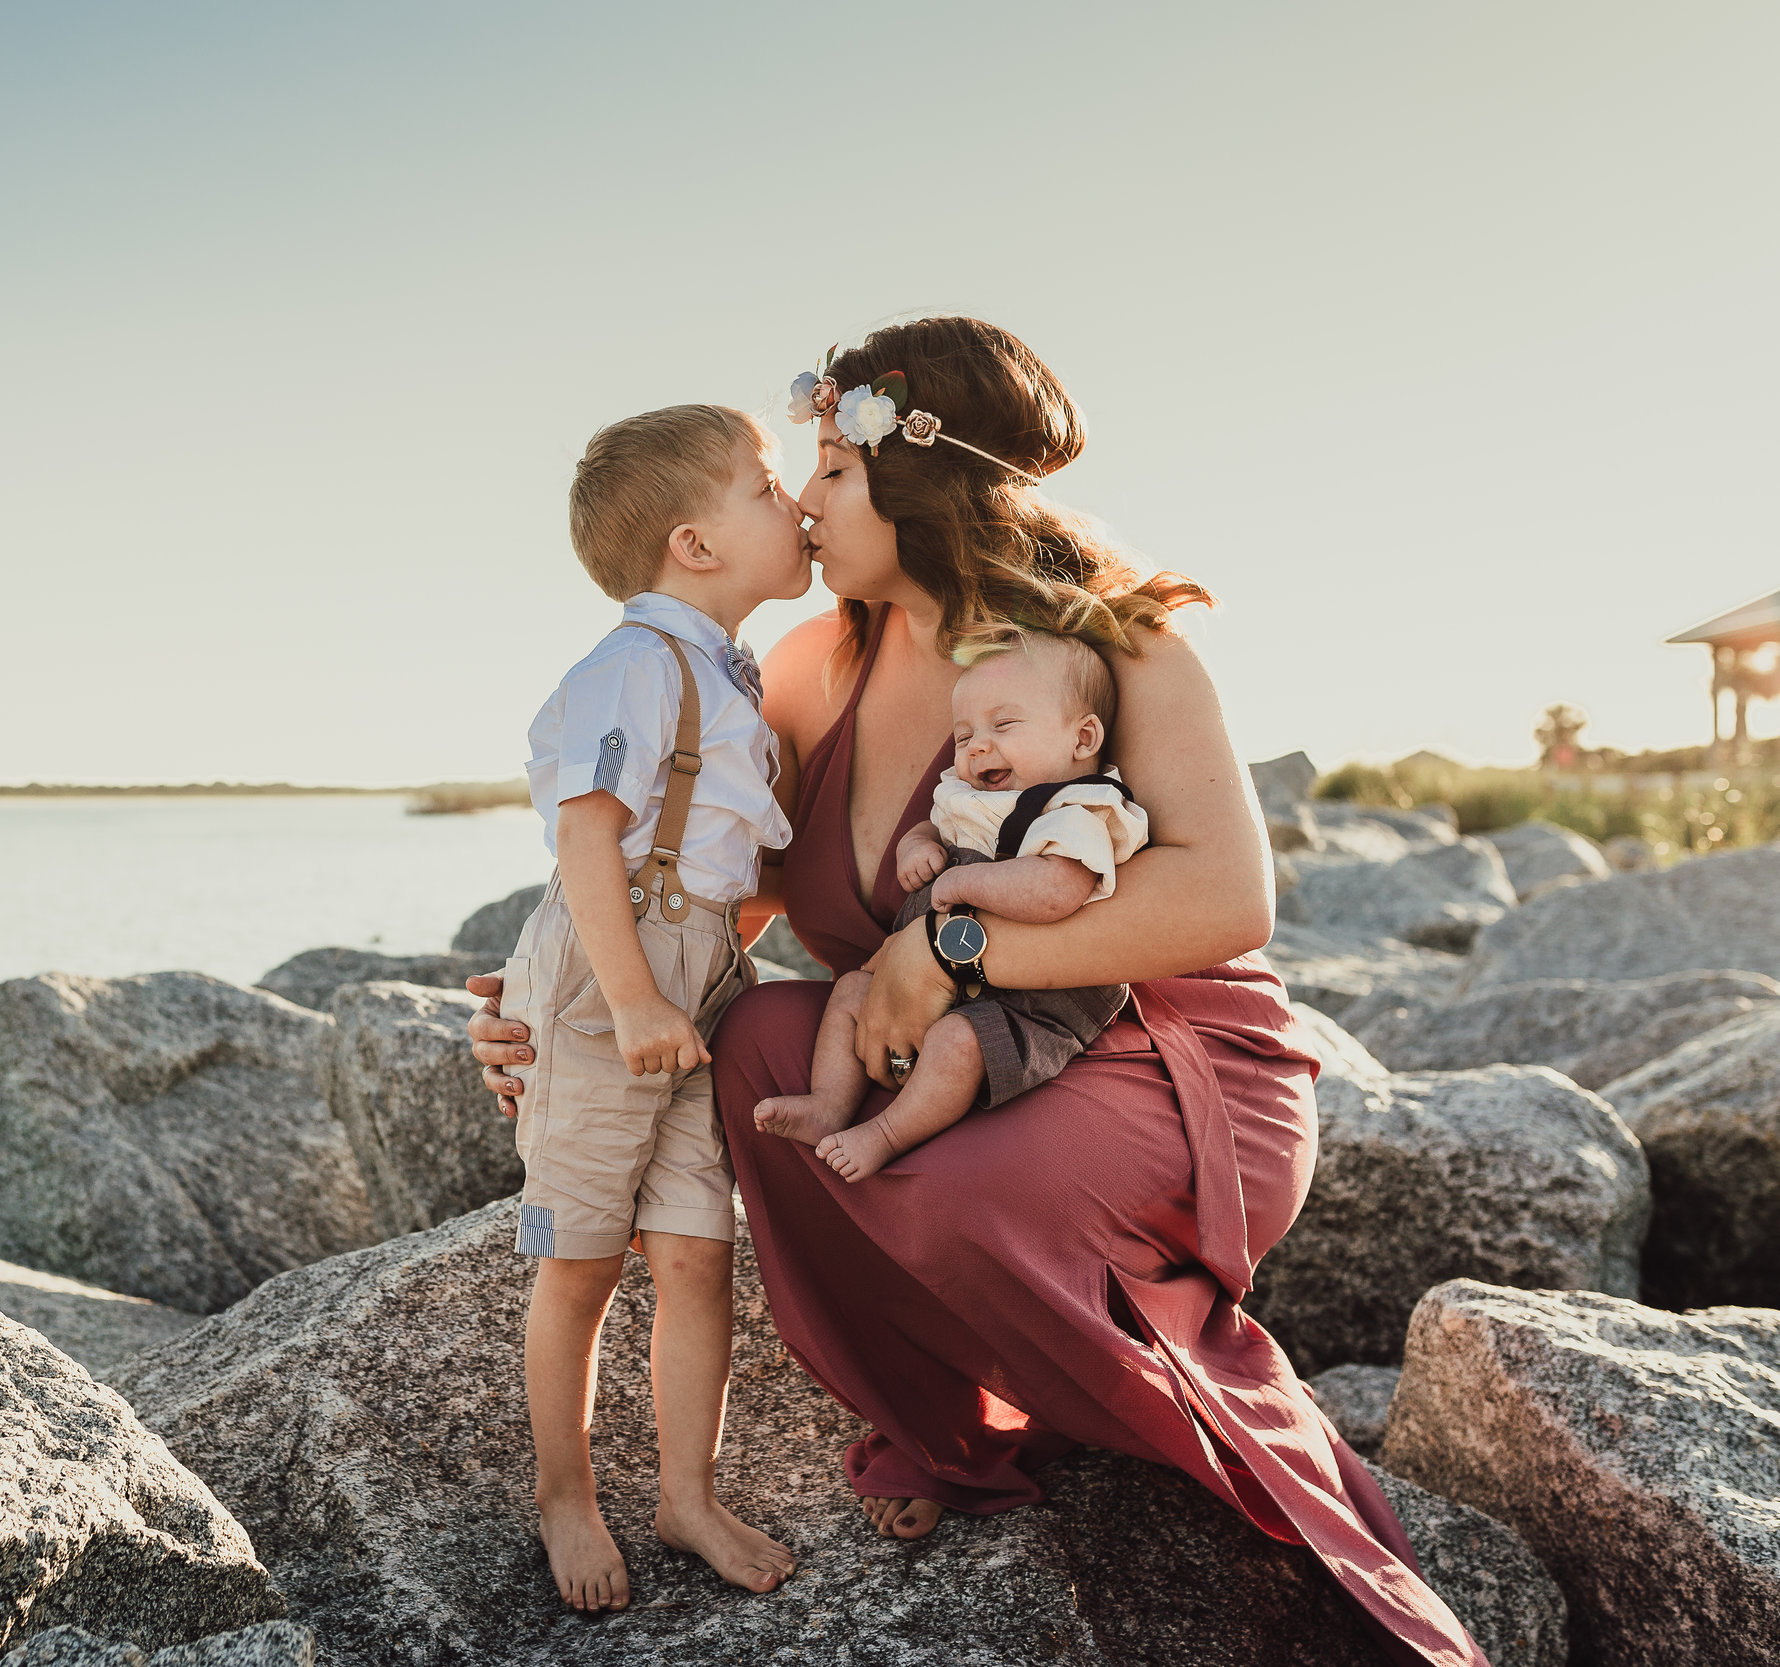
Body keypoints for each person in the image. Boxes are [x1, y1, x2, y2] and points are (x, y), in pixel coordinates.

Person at [471, 319, 1489, 1665]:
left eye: (829, 469)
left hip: (1155, 1053)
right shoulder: (804, 674)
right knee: (768, 1039)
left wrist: (942, 950)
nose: (806, 502)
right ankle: (946, 1418)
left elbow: (1227, 902)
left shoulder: (1109, 649)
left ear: (922, 480)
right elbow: (711, 897)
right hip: (940, 1063)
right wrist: (561, 1005)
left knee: (945, 1181)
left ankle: (1150, 1410)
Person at [504, 403, 811, 1614]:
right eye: (766, 483)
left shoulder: (731, 673)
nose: (790, 503)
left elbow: (734, 870)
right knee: (577, 1259)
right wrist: (631, 997)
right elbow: (586, 839)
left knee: (695, 1251)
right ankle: (564, 1492)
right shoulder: (632, 663)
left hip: (700, 988)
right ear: (694, 543)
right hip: (611, 979)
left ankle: (687, 1491)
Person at [752, 625, 1146, 1182]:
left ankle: (887, 1134)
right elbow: (930, 826)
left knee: (959, 1045)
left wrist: (964, 888)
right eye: (963, 737)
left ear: (1082, 740)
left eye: (1004, 725)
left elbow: (1056, 892)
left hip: (1029, 1003)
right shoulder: (971, 796)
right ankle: (828, 1104)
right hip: (943, 983)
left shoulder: (1075, 813)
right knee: (850, 990)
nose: (978, 746)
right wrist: (918, 845)